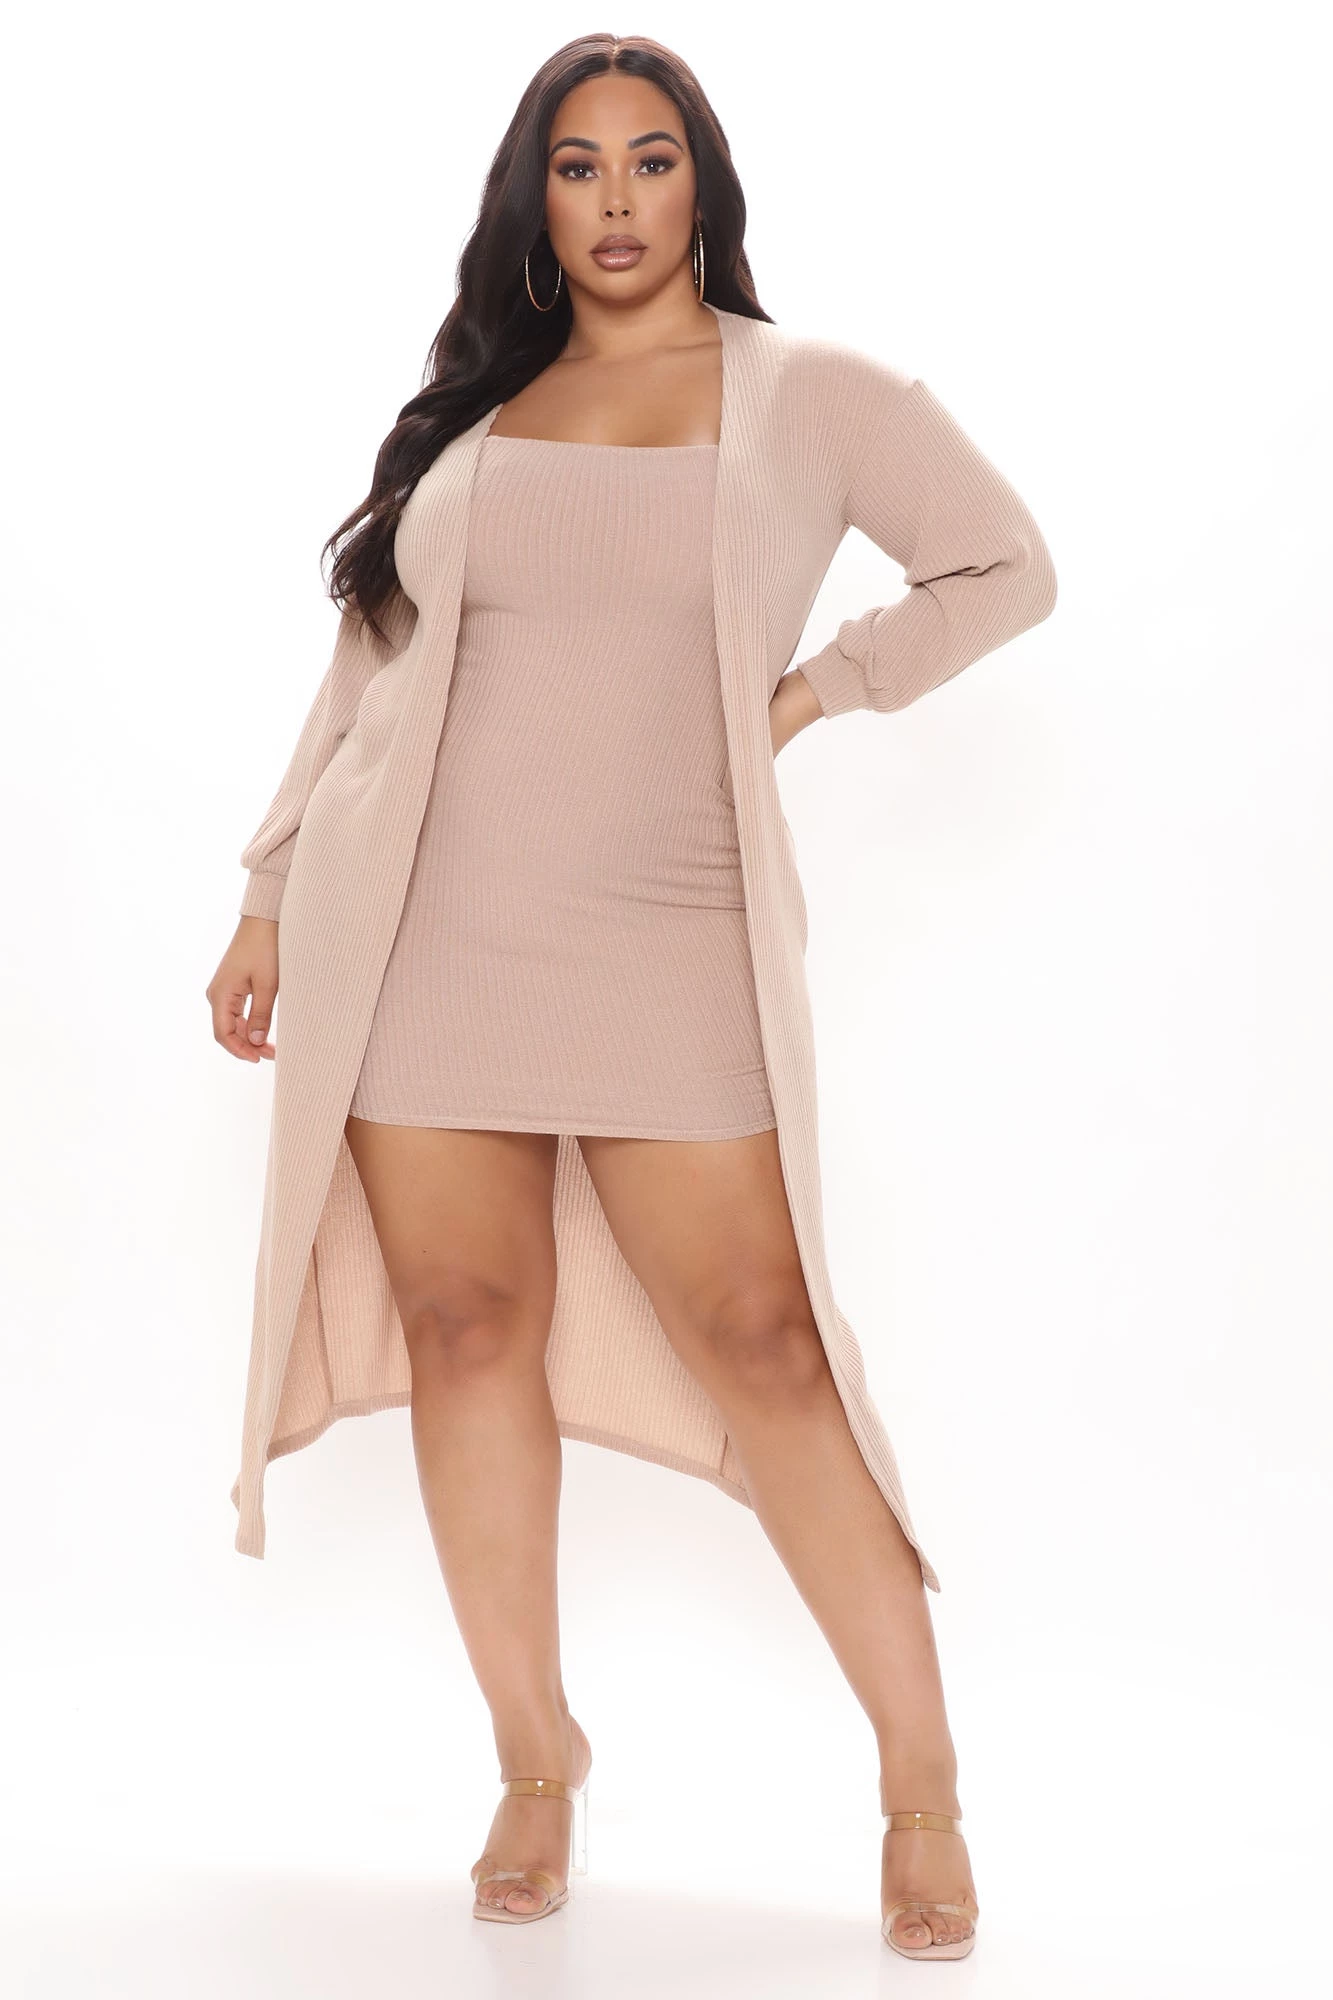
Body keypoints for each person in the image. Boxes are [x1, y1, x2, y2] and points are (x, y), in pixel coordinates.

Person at [207, 33, 1056, 1960]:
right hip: (418, 928)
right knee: (465, 1325)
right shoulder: (477, 408)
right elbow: (369, 672)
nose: (613, 201)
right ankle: (536, 1757)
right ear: (535, 198)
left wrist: (811, 693)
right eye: (577, 166)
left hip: (674, 929)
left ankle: (922, 1785)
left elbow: (1007, 567)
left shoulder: (806, 395)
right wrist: (266, 891)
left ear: (703, 186)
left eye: (649, 161)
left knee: (768, 1341)